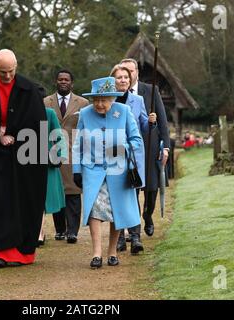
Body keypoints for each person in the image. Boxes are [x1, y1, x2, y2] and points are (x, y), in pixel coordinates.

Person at [0, 49, 48, 268]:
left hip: (23, 156)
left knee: (22, 199)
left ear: (16, 67)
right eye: (2, 72)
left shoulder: (29, 89)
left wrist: (15, 134)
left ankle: (20, 253)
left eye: (10, 71)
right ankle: (0, 252)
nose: (7, 76)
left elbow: (36, 124)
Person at [72, 76, 143, 268]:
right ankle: (96, 253)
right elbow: (77, 144)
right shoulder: (85, 114)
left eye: (104, 100)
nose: (100, 104)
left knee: (116, 211)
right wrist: (76, 170)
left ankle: (112, 251)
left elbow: (137, 141)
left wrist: (123, 147)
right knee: (94, 209)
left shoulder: (124, 111)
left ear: (112, 99)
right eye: (96, 100)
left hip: (118, 171)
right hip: (92, 170)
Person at [120, 58, 170, 237]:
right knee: (131, 185)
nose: (128, 75)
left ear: (136, 73)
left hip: (149, 144)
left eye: (131, 71)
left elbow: (162, 120)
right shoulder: (116, 94)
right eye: (124, 72)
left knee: (150, 186)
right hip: (127, 149)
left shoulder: (150, 90)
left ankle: (147, 214)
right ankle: (133, 227)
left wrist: (166, 147)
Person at [109, 64, 156, 254]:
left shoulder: (138, 101)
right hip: (112, 154)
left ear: (131, 80)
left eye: (126, 77)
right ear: (113, 81)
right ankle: (119, 238)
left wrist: (151, 123)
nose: (123, 80)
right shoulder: (107, 101)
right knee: (116, 196)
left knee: (133, 195)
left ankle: (135, 237)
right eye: (119, 77)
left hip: (133, 157)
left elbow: (143, 127)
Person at [44, 70, 89, 243]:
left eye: (67, 79)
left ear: (72, 83)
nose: (63, 82)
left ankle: (72, 231)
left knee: (73, 192)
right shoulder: (45, 102)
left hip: (74, 152)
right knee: (57, 191)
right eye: (60, 79)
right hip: (53, 152)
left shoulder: (83, 103)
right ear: (56, 81)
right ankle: (60, 229)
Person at [38, 107, 67, 246]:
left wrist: (59, 156)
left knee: (43, 196)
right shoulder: (22, 110)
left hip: (47, 161)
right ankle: (38, 231)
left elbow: (58, 135)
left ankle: (39, 233)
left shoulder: (49, 113)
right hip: (25, 158)